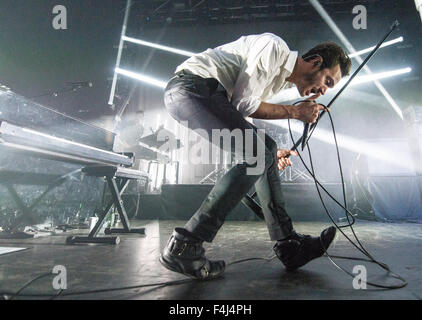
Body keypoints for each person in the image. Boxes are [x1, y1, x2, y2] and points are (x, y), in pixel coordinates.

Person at [160, 33, 351, 280]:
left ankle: (289, 245)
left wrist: (268, 152)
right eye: (327, 80)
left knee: (265, 151)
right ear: (315, 61)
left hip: (199, 94)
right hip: (193, 87)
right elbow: (243, 104)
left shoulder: (279, 82)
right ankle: (185, 245)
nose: (323, 91)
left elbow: (240, 111)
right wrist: (295, 112)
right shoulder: (274, 47)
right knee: (258, 154)